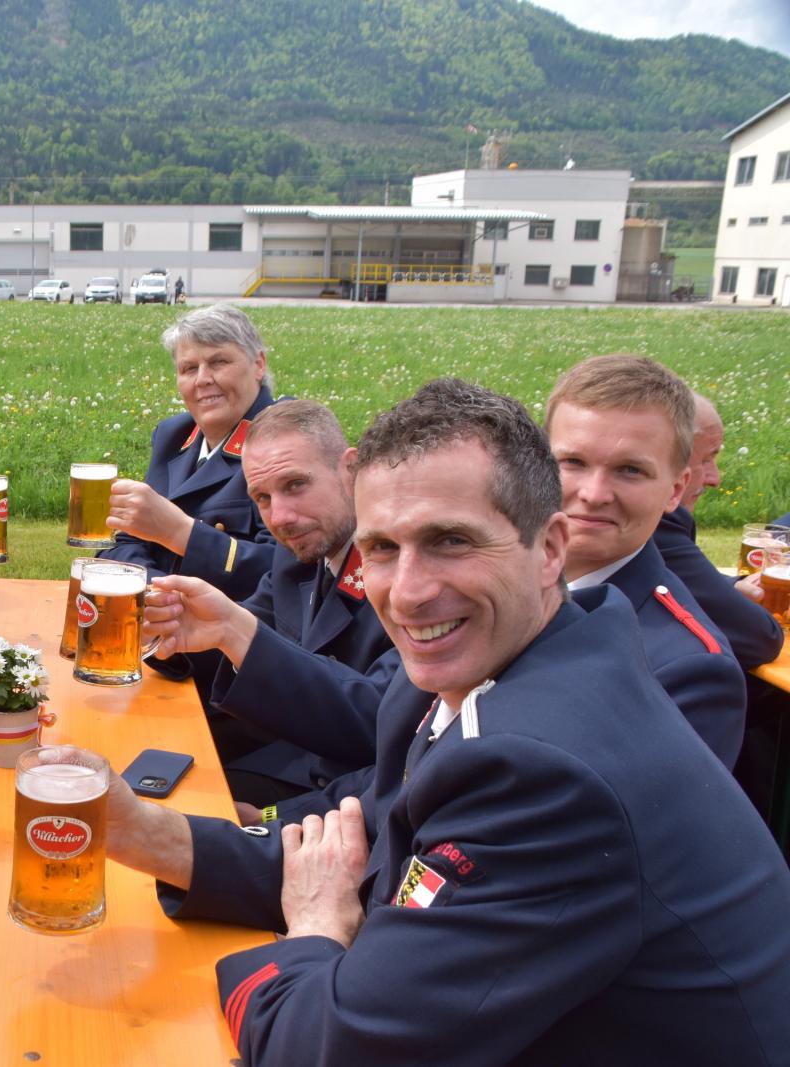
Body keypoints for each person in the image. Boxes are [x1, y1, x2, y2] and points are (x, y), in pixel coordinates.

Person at [110, 379, 790, 1063]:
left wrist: (314, 929)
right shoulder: (482, 665)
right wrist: (136, 831)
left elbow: (329, 1048)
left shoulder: (544, 771)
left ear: (550, 548)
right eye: (381, 548)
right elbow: (368, 844)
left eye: (451, 540)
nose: (408, 593)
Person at [196, 400, 407, 806]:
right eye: (262, 497)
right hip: (288, 758)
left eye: (295, 485)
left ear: (351, 469)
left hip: (349, 796)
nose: (280, 517)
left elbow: (383, 722)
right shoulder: (302, 549)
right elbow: (248, 626)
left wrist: (273, 819)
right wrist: (166, 632)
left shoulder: (402, 571)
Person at [544, 355, 746, 766]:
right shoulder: (491, 586)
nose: (594, 493)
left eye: (630, 470)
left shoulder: (688, 670)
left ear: (675, 490)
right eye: (573, 462)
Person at [100, 303, 277, 700]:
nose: (203, 380)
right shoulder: (174, 435)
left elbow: (287, 572)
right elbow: (124, 544)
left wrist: (181, 533)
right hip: (157, 654)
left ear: (258, 364)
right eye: (188, 368)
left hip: (231, 680)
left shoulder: (283, 442)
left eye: (219, 362)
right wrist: (156, 597)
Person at [650, 390, 783, 670]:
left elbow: (676, 578)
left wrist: (730, 587)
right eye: (705, 460)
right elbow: (759, 637)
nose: (715, 479)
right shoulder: (655, 525)